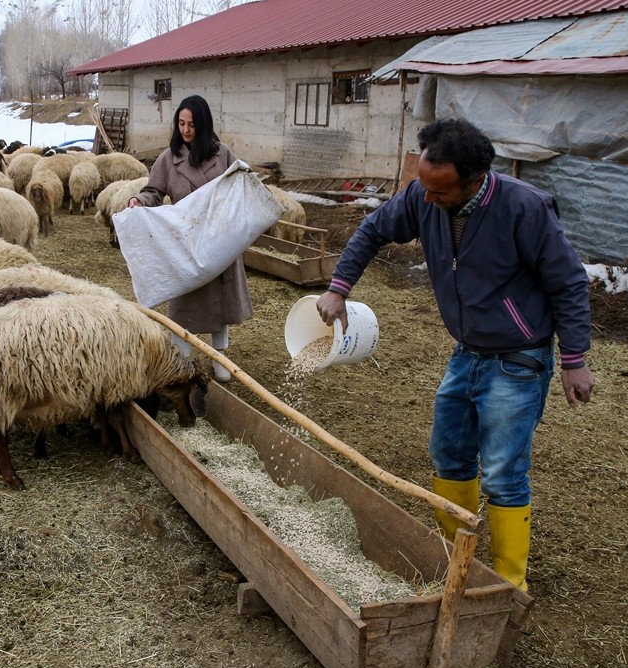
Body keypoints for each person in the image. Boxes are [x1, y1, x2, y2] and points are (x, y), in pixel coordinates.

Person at [315, 118, 595, 591]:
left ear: (473, 181)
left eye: (439, 192)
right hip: (467, 350)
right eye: (422, 186)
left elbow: (568, 282)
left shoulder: (523, 208)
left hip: (518, 356)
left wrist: (574, 358)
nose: (426, 199)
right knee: (449, 454)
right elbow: (372, 229)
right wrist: (339, 288)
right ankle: (452, 563)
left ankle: (507, 587)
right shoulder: (423, 195)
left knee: (504, 472)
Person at [127, 94, 251, 383]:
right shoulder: (169, 159)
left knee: (219, 304)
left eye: (191, 124)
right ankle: (181, 357)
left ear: (203, 124)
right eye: (181, 123)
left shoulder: (223, 155)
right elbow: (153, 191)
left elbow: (240, 187)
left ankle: (220, 357)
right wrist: (139, 201)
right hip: (186, 244)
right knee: (184, 302)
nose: (185, 130)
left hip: (220, 241)